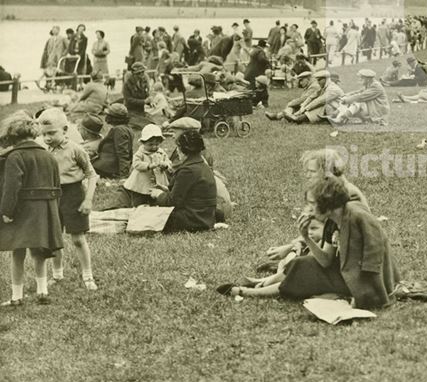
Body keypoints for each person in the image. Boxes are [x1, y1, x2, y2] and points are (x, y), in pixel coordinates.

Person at [230, 175, 399, 308]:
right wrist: (306, 237)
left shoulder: (356, 214)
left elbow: (377, 248)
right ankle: (257, 289)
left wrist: (365, 292)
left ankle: (251, 293)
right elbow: (325, 260)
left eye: (312, 204)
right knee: (301, 263)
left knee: (304, 273)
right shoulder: (331, 222)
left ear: (326, 203)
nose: (309, 209)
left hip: (367, 279)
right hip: (344, 272)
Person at [0, 112, 63, 306]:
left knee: (17, 252)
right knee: (40, 252)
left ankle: (17, 297)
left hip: (22, 210)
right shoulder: (48, 155)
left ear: (13, 135)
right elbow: (57, 187)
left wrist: (6, 212)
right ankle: (42, 291)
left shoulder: (15, 156)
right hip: (45, 209)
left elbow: (11, 189)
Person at [36, 109, 98, 291]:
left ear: (64, 130)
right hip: (51, 196)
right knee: (54, 239)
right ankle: (57, 274)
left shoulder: (76, 149)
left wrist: (88, 201)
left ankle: (88, 276)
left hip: (74, 195)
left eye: (52, 133)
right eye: (44, 134)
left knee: (78, 238)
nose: (47, 138)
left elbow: (92, 175)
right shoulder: (42, 149)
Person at [149, 131, 217, 233]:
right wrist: (167, 190)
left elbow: (172, 202)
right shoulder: (202, 165)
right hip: (206, 216)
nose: (177, 151)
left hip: (193, 219)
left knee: (149, 215)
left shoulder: (188, 170)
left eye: (178, 147)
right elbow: (191, 193)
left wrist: (158, 194)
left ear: (183, 149)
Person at [120, 124, 172, 207]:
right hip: (142, 181)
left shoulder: (161, 152)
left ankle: (154, 207)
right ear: (143, 143)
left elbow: (168, 161)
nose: (154, 147)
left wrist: (165, 165)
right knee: (140, 198)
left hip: (158, 180)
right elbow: (136, 163)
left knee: (155, 197)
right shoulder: (140, 153)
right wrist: (148, 166)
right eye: (150, 144)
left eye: (157, 144)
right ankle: (139, 207)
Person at [91, 103, 134, 179]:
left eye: (108, 115)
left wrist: (123, 176)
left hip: (108, 167)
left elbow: (123, 153)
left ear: (112, 117)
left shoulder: (119, 130)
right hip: (109, 165)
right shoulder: (127, 128)